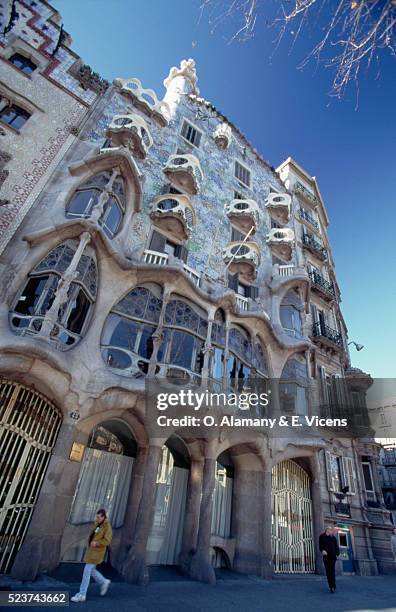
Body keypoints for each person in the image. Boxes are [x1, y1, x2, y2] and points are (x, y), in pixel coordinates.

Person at [71, 509, 113, 603]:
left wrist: (96, 543)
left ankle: (82, 594)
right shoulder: (98, 524)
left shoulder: (107, 526)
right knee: (92, 571)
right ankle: (104, 581)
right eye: (96, 516)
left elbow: (107, 541)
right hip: (92, 551)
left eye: (99, 517)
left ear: (103, 517)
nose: (97, 518)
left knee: (86, 571)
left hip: (96, 553)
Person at [319, 525, 340, 593]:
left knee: (332, 571)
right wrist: (322, 550)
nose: (330, 530)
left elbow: (336, 546)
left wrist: (337, 553)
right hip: (326, 557)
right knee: (328, 571)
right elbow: (320, 545)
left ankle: (333, 586)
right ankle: (330, 585)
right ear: (326, 529)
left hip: (333, 556)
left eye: (331, 529)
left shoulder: (333, 537)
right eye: (329, 529)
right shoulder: (322, 536)